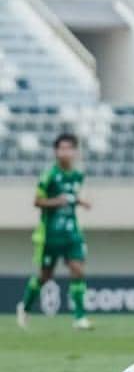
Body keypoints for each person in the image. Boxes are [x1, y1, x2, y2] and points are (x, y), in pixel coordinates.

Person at [16, 133, 93, 330]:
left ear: (75, 151)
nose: (65, 152)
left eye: (69, 148)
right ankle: (24, 307)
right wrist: (57, 201)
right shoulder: (49, 175)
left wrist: (81, 201)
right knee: (45, 276)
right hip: (50, 234)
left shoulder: (78, 176)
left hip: (72, 232)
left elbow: (71, 197)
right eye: (61, 148)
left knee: (78, 269)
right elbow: (37, 201)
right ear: (56, 152)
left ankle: (79, 317)